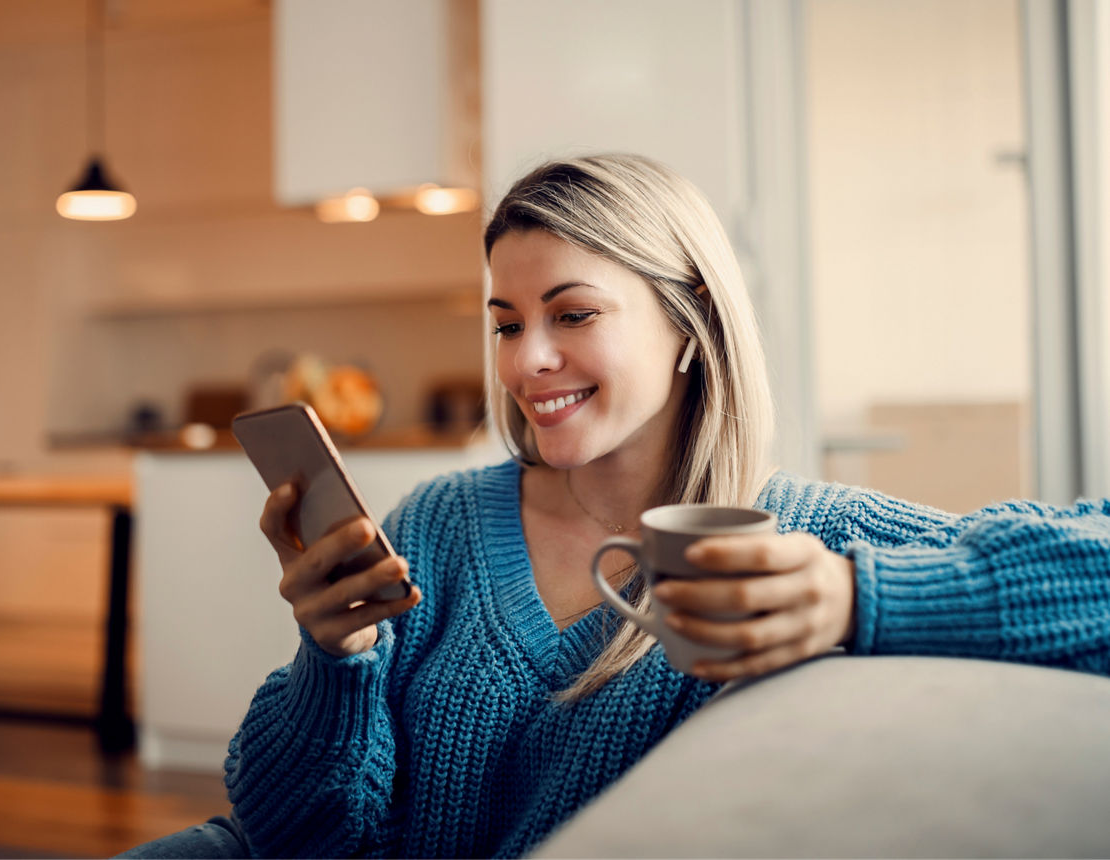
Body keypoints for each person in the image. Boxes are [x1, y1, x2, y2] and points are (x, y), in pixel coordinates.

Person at [121, 154, 1110, 859]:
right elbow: (301, 836)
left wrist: (860, 596)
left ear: (688, 324)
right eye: (506, 323)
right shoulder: (441, 524)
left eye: (573, 313)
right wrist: (331, 661)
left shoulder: (801, 539)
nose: (524, 361)